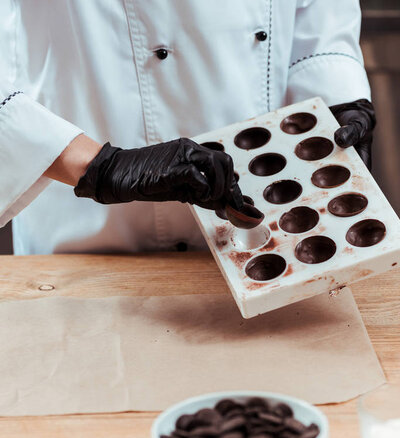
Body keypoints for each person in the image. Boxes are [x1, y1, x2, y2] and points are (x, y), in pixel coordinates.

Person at [0, 0, 375, 255]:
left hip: (273, 227)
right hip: (89, 234)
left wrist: (332, 94)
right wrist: (99, 167)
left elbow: (319, 15)